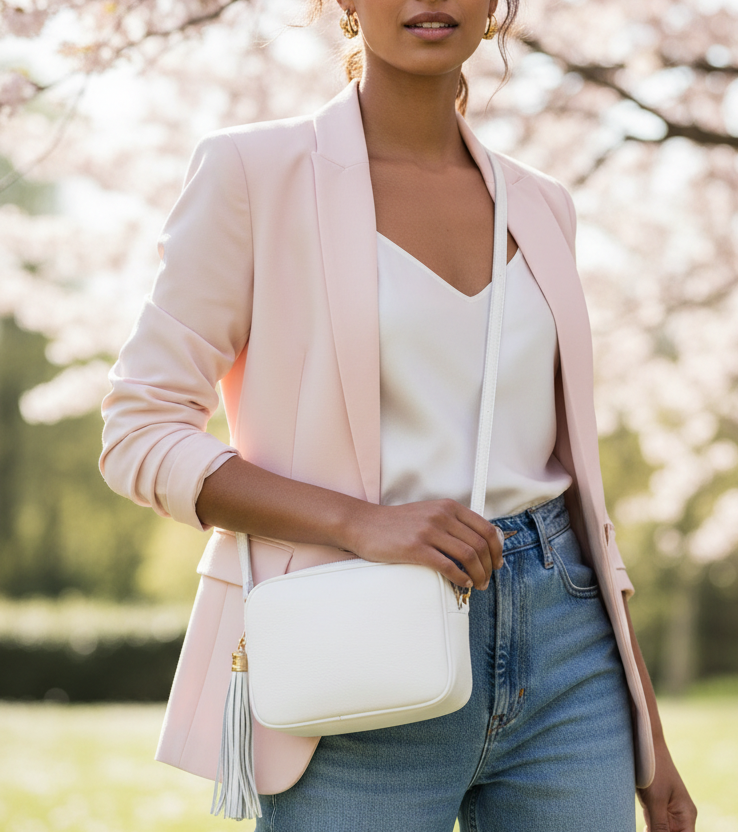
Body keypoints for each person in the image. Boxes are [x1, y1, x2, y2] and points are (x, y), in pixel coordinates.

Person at [100, 0, 698, 829]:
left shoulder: (544, 206)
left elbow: (578, 492)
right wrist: (358, 523)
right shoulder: (254, 174)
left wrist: (647, 729)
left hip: (567, 649)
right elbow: (139, 432)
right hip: (354, 642)